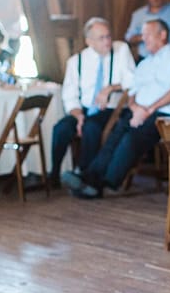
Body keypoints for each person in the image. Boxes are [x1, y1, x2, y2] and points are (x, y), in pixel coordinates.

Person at [61, 18, 170, 199]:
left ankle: (100, 182)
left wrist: (148, 110)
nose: (144, 39)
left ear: (162, 35)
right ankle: (90, 178)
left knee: (131, 138)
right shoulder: (145, 63)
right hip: (140, 111)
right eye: (143, 35)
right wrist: (134, 107)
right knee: (115, 135)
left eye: (148, 35)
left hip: (168, 114)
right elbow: (132, 90)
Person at [51, 17, 136, 177]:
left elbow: (132, 81)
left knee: (91, 128)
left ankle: (83, 173)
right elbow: (70, 95)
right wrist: (78, 115)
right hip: (83, 108)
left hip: (110, 109)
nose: (107, 41)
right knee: (61, 129)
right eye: (101, 38)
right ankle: (54, 173)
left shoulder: (121, 50)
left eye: (108, 36)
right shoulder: (76, 61)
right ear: (89, 41)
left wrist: (110, 88)